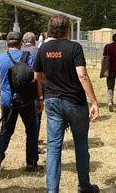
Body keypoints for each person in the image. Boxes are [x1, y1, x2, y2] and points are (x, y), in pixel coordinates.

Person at [34, 15, 99, 193]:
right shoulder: (74, 47)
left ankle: (52, 190)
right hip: (75, 102)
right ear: (66, 29)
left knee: (53, 147)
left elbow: (37, 77)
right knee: (81, 144)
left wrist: (50, 82)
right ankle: (84, 186)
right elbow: (82, 76)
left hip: (53, 101)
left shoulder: (43, 48)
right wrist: (94, 101)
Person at [0, 31, 42, 176]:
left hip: (7, 101)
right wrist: (40, 98)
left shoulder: (1, 58)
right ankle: (31, 164)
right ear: (21, 43)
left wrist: (0, 92)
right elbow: (36, 79)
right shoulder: (27, 57)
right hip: (26, 100)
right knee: (31, 132)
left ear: (7, 43)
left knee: (6, 130)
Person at [21, 31, 44, 154]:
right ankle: (33, 142)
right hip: (35, 89)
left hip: (19, 89)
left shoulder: (18, 50)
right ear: (34, 40)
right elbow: (41, 72)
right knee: (36, 117)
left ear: (24, 41)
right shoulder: (37, 51)